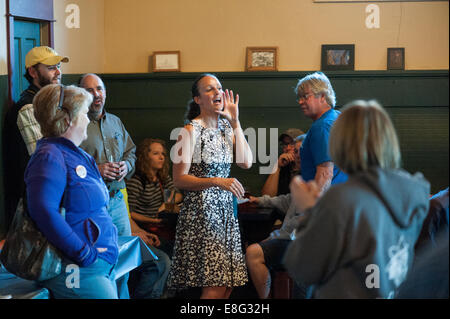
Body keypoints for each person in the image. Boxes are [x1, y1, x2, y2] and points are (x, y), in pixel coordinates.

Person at [284, 100, 430, 299]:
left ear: (340, 144)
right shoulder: (415, 190)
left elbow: (302, 268)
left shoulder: (341, 200)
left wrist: (309, 210)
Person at [78, 73, 170, 299]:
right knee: (102, 264)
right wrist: (97, 170)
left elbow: (130, 152)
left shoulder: (115, 122)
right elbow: (69, 163)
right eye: (89, 90)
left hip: (118, 200)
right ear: (81, 95)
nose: (95, 94)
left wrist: (126, 166)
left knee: (124, 263)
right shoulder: (75, 124)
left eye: (99, 88)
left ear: (105, 92)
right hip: (92, 204)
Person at [24, 84, 119, 298]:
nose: (88, 119)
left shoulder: (74, 154)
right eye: (84, 114)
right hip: (76, 270)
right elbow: (43, 212)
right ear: (68, 119)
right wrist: (84, 253)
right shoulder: (49, 155)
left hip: (96, 267)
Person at [167, 73, 253, 299]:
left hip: (225, 212)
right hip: (203, 213)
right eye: (209, 89)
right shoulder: (189, 131)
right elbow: (179, 179)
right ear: (197, 99)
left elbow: (246, 162)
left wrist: (236, 122)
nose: (217, 93)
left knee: (226, 285)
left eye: (219, 88)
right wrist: (217, 181)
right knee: (214, 285)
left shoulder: (226, 127)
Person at [2, 46, 68, 230]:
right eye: (51, 67)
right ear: (32, 72)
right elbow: (44, 159)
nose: (58, 72)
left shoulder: (48, 102)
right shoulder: (27, 107)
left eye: (58, 66)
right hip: (34, 203)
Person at [245, 135, 306, 298]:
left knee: (254, 251)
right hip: (289, 238)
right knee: (252, 251)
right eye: (295, 151)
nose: (295, 154)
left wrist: (276, 236)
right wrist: (259, 200)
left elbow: (302, 221)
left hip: (302, 244)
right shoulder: (302, 175)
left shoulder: (318, 179)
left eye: (299, 151)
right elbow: (287, 200)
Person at [126, 138, 183, 257]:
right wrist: (153, 220)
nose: (161, 157)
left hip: (161, 223)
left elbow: (178, 195)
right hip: (146, 226)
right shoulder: (137, 181)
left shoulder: (162, 177)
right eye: (156, 153)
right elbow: (129, 214)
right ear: (145, 157)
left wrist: (166, 204)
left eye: (163, 154)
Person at [294, 71, 347, 192]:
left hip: (328, 203)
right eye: (299, 97)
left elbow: (325, 175)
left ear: (323, 96)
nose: (300, 101)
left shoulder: (322, 126)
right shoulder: (338, 117)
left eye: (305, 96)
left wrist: (312, 209)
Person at [261, 129, 305, 197]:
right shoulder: (282, 167)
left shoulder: (311, 167)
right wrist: (277, 167)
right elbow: (267, 196)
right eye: (284, 144)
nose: (287, 148)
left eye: (292, 144)